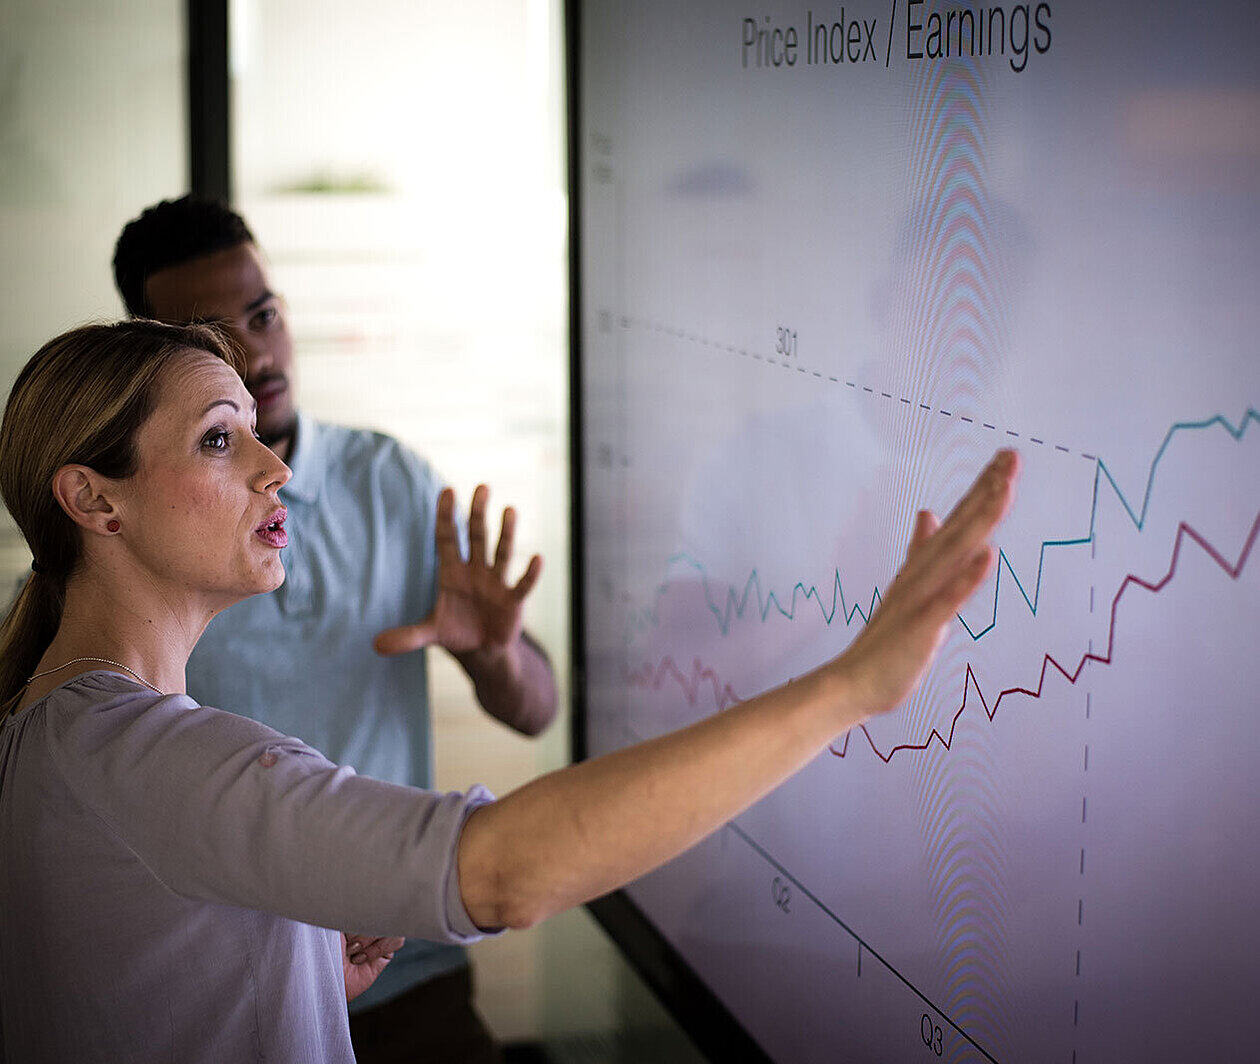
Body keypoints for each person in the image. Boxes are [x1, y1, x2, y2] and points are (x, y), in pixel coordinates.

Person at [0, 320, 1018, 1063]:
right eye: (221, 438)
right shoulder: (148, 757)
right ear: (94, 498)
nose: (276, 467)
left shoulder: (65, 731)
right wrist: (849, 684)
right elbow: (503, 874)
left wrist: (298, 972)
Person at [111, 195, 559, 1061]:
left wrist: (494, 655)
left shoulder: (389, 480)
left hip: (405, 970)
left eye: (264, 313)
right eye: (214, 333)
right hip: (227, 991)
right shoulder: (135, 529)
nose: (260, 350)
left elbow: (535, 710)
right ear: (148, 357)